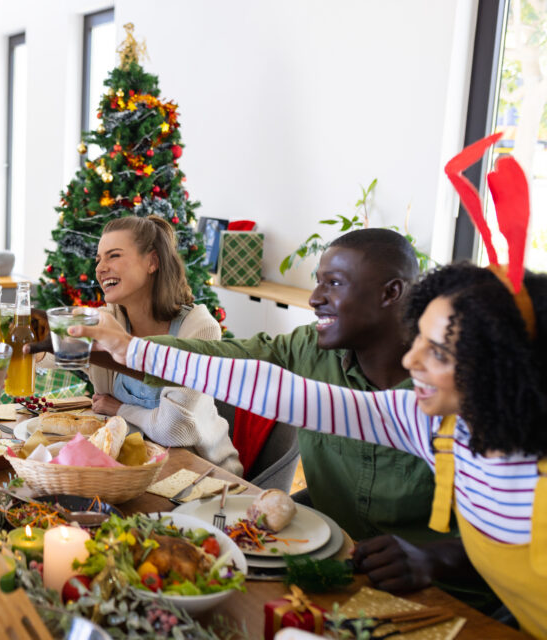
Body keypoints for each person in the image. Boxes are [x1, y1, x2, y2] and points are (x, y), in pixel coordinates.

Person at [74, 137, 547, 637]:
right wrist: (129, 350)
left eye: (438, 350)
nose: (413, 360)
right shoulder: (424, 419)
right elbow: (281, 391)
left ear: (499, 362)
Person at [88, 215, 241, 474]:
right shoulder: (111, 321)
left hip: (202, 475)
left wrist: (120, 409)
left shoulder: (199, 330)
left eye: (113, 256)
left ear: (152, 262)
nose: (100, 268)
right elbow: (56, 348)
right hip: (135, 466)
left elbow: (173, 430)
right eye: (98, 259)